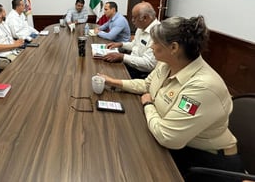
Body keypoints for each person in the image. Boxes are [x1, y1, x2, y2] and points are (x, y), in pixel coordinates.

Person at [98, 16, 244, 182]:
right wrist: (113, 82)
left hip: (204, 163)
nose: (151, 47)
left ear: (174, 47)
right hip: (172, 144)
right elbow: (147, 85)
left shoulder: (203, 87)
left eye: (156, 42)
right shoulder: (167, 63)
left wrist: (148, 104)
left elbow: (168, 137)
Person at [103, 1, 160, 78]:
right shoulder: (141, 27)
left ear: (145, 18)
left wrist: (123, 57)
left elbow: (149, 64)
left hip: (142, 74)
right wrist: (121, 44)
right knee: (105, 68)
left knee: (110, 75)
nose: (132, 20)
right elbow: (134, 45)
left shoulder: (158, 33)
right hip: (131, 65)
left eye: (134, 17)